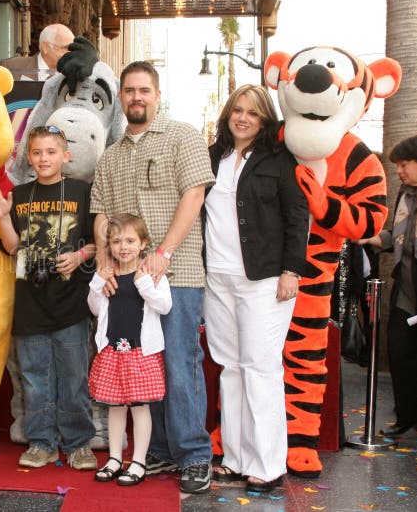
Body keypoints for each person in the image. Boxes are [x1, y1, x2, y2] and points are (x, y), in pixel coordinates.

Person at [90, 60, 216, 494]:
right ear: (122, 97)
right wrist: (106, 263)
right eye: (129, 91)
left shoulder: (183, 137)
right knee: (144, 369)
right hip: (125, 283)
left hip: (175, 273)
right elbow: (102, 212)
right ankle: (158, 450)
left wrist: (163, 252)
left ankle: (195, 455)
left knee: (180, 364)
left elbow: (194, 194)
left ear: (157, 95)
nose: (136, 97)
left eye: (144, 90)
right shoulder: (111, 154)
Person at [203, 85, 309, 492]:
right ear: (228, 113)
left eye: (253, 113)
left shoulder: (279, 160)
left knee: (260, 369)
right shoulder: (214, 157)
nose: (243, 118)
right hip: (218, 278)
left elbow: (298, 216)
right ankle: (234, 457)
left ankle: (267, 465)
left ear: (265, 121)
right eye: (238, 110)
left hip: (264, 279)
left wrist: (291, 270)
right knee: (230, 368)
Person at [0, 125, 98, 470]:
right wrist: (3, 217)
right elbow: (14, 247)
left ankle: (78, 444)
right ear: (27, 157)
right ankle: (42, 442)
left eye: (50, 152)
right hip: (30, 302)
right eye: (37, 152)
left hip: (71, 303)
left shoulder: (81, 191)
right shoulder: (19, 194)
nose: (43, 158)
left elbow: (96, 241)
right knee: (34, 379)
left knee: (74, 378)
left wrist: (79, 256)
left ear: (65, 156)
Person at [358, 133, 417, 449]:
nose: (400, 171)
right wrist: (370, 239)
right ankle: (407, 418)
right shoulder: (405, 195)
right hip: (406, 289)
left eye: (405, 164)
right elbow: (396, 235)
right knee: (402, 355)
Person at [87, 214, 171, 486]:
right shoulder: (109, 275)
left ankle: (138, 461)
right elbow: (95, 308)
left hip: (140, 353)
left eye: (130, 240)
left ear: (143, 243)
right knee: (115, 406)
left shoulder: (151, 275)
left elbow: (164, 306)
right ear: (109, 246)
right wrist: (98, 283)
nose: (123, 246)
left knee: (139, 406)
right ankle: (114, 458)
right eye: (116, 241)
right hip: (113, 350)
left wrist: (144, 284)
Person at [0, 23, 74, 81]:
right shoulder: (11, 67)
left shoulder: (74, 74)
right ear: (45, 47)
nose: (70, 53)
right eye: (65, 48)